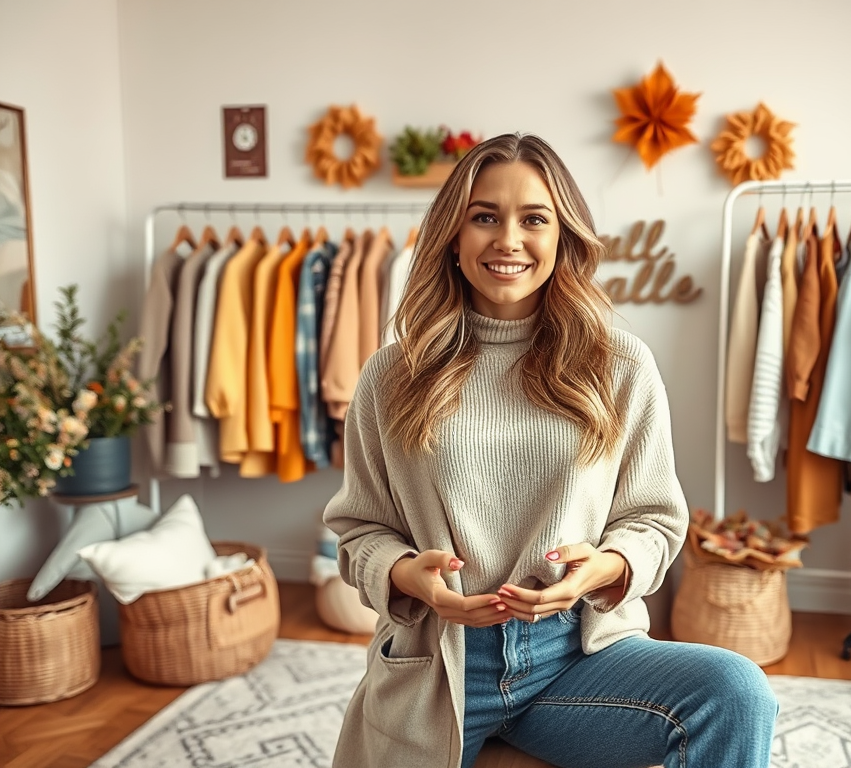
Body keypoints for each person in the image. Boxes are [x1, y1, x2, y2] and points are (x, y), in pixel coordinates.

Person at [323, 132, 778, 768]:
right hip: (444, 664)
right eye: (484, 216)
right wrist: (409, 577)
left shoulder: (619, 366)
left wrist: (607, 566)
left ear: (563, 238)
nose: (507, 240)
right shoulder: (392, 375)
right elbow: (360, 530)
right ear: (453, 237)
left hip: (580, 657)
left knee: (735, 692)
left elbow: (654, 518)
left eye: (534, 219)